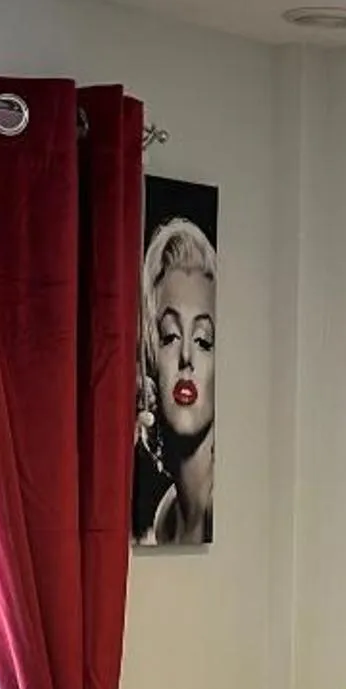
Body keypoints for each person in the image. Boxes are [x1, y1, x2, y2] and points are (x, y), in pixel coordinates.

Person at [135, 213, 215, 546]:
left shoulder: (215, 507)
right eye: (169, 336)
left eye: (202, 340)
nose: (186, 357)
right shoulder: (167, 515)